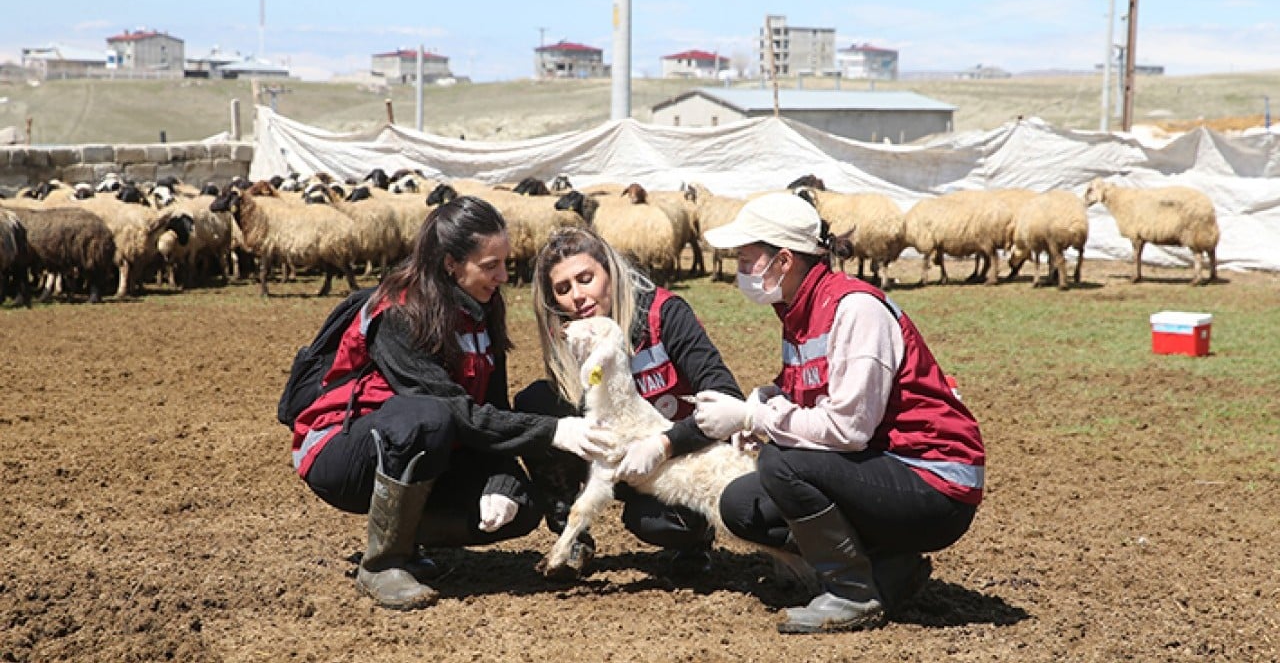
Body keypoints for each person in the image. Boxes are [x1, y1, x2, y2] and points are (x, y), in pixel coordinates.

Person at [292, 196, 614, 610]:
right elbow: (454, 411)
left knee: (523, 505)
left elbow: (491, 405)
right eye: (490, 266)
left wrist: (502, 483)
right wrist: (556, 431)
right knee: (429, 415)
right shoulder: (399, 312)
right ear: (450, 264)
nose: (502, 276)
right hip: (341, 449)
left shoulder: (482, 306)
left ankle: (407, 540)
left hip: (430, 440)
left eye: (505, 262)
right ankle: (382, 563)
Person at [693, 192, 985, 634]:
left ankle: (852, 593)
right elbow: (809, 391)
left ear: (784, 260)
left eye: (745, 256)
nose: (739, 267)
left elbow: (847, 427)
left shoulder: (856, 309)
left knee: (781, 462)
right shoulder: (800, 309)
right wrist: (762, 399)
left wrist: (754, 418)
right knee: (743, 505)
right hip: (887, 467)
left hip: (935, 481)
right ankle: (889, 567)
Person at [514, 226, 743, 579]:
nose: (577, 296)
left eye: (586, 278)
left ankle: (694, 543)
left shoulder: (665, 314)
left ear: (609, 271)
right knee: (536, 403)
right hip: (611, 456)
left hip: (674, 461)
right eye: (563, 289)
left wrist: (666, 444)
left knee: (656, 523)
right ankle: (571, 536)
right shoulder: (572, 336)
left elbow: (726, 398)